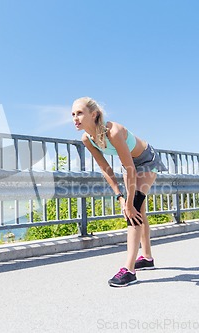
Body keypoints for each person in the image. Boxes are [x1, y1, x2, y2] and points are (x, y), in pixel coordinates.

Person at [71, 97, 168, 287]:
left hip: (146, 161)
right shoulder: (87, 138)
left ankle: (129, 270)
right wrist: (120, 197)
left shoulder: (113, 132)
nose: (75, 118)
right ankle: (147, 258)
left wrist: (130, 203)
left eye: (80, 113)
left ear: (94, 114)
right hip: (129, 166)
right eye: (73, 114)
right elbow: (105, 168)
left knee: (134, 211)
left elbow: (131, 168)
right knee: (138, 211)